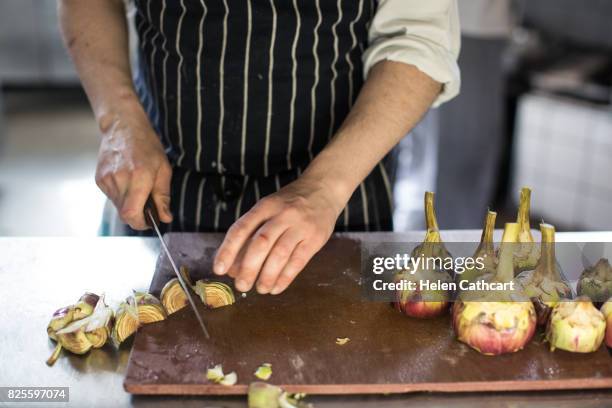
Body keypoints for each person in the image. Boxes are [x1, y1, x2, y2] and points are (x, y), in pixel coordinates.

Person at [59, 0, 460, 295]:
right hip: (165, 185)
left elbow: (418, 38)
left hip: (338, 200)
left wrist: (324, 188)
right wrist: (119, 120)